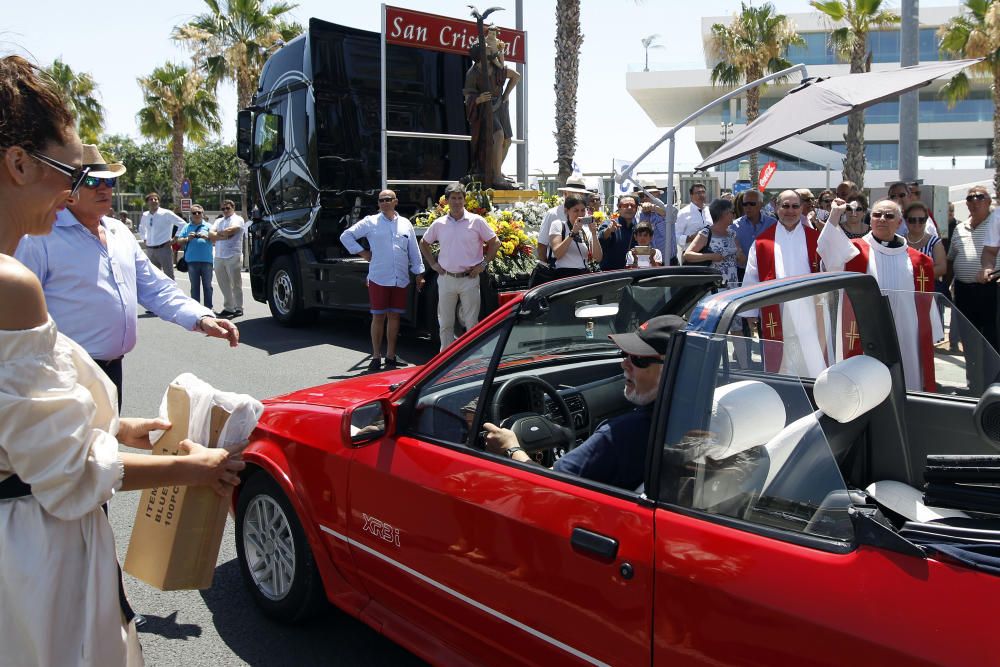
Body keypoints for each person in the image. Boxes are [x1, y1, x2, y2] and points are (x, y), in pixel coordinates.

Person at [0, 53, 244, 667]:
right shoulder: (18, 276)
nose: (85, 187)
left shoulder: (117, 235)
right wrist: (196, 468)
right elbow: (69, 472)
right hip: (33, 546)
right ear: (19, 162)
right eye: (73, 171)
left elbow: (152, 290)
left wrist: (107, 424)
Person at [16, 145, 239, 409]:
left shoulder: (118, 232)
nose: (104, 189)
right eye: (91, 181)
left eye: (109, 181)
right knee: (80, 450)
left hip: (112, 371)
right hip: (64, 377)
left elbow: (155, 288)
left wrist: (201, 318)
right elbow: (18, 323)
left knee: (107, 445)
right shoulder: (39, 238)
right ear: (68, 189)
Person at [483, 315, 685, 490]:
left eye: (639, 359)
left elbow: (548, 485)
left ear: (674, 367)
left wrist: (510, 448)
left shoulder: (621, 435)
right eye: (626, 354)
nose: (624, 363)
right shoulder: (694, 413)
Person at [820, 197, 938, 392]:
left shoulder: (919, 261)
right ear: (870, 219)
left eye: (889, 215)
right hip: (865, 331)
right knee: (864, 386)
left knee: (906, 381)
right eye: (877, 214)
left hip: (906, 333)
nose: (882, 218)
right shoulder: (853, 250)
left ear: (899, 223)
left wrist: (931, 332)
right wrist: (835, 214)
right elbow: (827, 251)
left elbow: (927, 304)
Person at [340, 189, 425, 371]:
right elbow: (346, 236)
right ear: (378, 204)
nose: (384, 202)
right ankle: (376, 356)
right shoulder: (370, 222)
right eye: (381, 200)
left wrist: (419, 273)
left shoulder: (405, 224)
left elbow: (414, 251)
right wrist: (363, 252)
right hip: (379, 277)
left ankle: (391, 356)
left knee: (394, 317)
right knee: (378, 317)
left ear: (396, 201)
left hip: (400, 279)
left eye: (388, 199)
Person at [743, 190, 826, 377]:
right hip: (777, 309)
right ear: (776, 207)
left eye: (795, 206)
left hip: (810, 310)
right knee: (781, 362)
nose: (790, 211)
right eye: (785, 206)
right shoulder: (762, 242)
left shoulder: (815, 238)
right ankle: (782, 393)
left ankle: (814, 390)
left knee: (812, 358)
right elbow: (752, 275)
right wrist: (750, 312)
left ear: (802, 208)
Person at [419, 182, 499, 350]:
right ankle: (445, 361)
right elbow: (424, 243)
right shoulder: (439, 224)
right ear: (447, 201)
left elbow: (495, 243)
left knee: (472, 325)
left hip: (469, 279)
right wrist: (433, 264)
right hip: (446, 278)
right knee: (446, 324)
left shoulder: (476, 221)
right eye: (453, 198)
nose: (457, 202)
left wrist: (483, 264)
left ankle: (471, 360)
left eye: (460, 198)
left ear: (464, 200)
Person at [462, 27, 520, 188]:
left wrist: (506, 95)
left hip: (500, 105)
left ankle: (496, 171)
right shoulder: (472, 73)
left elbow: (516, 76)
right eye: (487, 49)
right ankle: (496, 177)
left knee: (507, 140)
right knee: (498, 135)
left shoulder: (496, 68)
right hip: (485, 110)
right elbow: (467, 97)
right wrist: (479, 99)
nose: (490, 49)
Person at [953, 186, 999, 351]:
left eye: (979, 196)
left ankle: (994, 376)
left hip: (990, 289)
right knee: (969, 340)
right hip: (963, 291)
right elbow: (952, 258)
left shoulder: (995, 220)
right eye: (970, 198)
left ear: (989, 201)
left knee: (991, 339)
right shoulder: (959, 228)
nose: (974, 201)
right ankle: (973, 376)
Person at [683, 198, 742, 287]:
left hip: (731, 284)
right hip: (715, 285)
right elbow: (687, 255)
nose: (734, 215)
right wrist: (711, 256)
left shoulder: (732, 234)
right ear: (723, 214)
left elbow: (741, 259)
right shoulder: (706, 233)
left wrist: (740, 255)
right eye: (732, 212)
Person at [537, 175, 590, 261]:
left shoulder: (585, 214)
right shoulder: (553, 214)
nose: (577, 197)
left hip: (582, 269)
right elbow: (542, 244)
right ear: (565, 193)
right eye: (573, 193)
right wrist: (545, 267)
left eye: (580, 194)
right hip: (557, 269)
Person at [549, 195, 602, 278]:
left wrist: (594, 234)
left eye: (583, 210)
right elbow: (557, 254)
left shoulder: (587, 229)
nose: (580, 214)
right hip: (563, 275)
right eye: (576, 211)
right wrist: (573, 233)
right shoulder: (558, 225)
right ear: (567, 211)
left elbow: (598, 258)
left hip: (583, 274)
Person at [175, 203, 215, 309]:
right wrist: (187, 238)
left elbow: (216, 240)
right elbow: (179, 241)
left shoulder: (209, 226)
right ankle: (196, 309)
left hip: (207, 260)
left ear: (203, 213)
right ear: (191, 214)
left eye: (199, 212)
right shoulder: (187, 227)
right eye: (194, 213)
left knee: (208, 286)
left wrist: (207, 237)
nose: (197, 214)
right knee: (194, 287)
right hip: (192, 261)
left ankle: (208, 308)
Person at [210, 199, 245, 319]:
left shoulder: (238, 219)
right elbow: (211, 234)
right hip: (219, 255)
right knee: (223, 284)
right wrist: (223, 236)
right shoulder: (219, 220)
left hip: (233, 255)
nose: (225, 210)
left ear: (233, 208)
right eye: (223, 209)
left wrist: (217, 235)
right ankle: (228, 307)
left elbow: (232, 231)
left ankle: (238, 308)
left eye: (227, 208)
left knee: (235, 283)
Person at [137, 191, 184, 279]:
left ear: (159, 201)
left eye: (156, 199)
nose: (154, 201)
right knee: (153, 276)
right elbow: (141, 228)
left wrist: (175, 238)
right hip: (150, 250)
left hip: (164, 248)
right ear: (147, 202)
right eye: (151, 199)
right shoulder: (145, 215)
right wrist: (144, 239)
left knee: (168, 275)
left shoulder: (166, 213)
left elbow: (182, 224)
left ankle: (171, 292)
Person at [732, 189, 776, 281]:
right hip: (742, 272)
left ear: (760, 204)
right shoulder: (734, 226)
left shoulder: (772, 224)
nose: (748, 207)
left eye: (752, 204)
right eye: (745, 204)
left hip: (766, 271)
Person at [904, 201, 947, 280]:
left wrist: (917, 276)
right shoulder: (900, 242)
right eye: (912, 220)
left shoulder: (934, 242)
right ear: (906, 221)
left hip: (928, 287)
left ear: (926, 220)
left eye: (921, 220)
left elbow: (941, 268)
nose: (917, 223)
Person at [598, 195, 638, 270]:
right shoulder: (610, 223)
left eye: (632, 206)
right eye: (625, 205)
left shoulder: (637, 228)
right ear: (619, 208)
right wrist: (609, 230)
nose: (629, 208)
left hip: (632, 274)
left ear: (636, 209)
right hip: (611, 276)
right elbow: (601, 237)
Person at [675, 182, 712, 258]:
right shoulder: (683, 213)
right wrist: (691, 237)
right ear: (691, 195)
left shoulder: (710, 211)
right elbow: (676, 236)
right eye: (698, 193)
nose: (701, 195)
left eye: (703, 192)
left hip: (709, 253)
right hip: (691, 254)